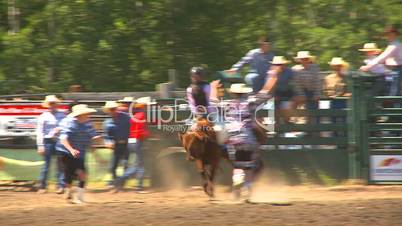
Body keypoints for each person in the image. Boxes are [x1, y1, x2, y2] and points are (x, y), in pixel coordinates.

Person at [210, 83, 267, 200]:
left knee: (237, 166)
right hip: (248, 140)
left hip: (233, 141)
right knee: (249, 168)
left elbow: (213, 101)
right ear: (244, 93)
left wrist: (213, 88)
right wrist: (273, 75)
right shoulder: (250, 104)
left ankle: (237, 184)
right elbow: (264, 94)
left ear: (232, 93)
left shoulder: (227, 104)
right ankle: (247, 188)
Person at [56, 104, 100, 204]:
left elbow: (92, 137)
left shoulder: (88, 124)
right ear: (79, 115)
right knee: (69, 175)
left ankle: (79, 198)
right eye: (86, 114)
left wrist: (96, 140)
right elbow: (63, 139)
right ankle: (69, 193)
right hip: (65, 152)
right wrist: (71, 150)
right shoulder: (70, 123)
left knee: (82, 174)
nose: (88, 115)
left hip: (80, 152)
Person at [114, 97, 153, 192]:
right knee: (140, 165)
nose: (149, 107)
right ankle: (137, 186)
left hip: (131, 141)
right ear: (144, 106)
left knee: (137, 165)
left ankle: (120, 181)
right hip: (138, 141)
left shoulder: (135, 115)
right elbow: (142, 132)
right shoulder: (143, 116)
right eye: (148, 105)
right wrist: (150, 134)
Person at [36, 95, 66, 194]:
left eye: (54, 103)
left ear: (56, 104)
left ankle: (60, 185)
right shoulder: (43, 116)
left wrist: (60, 129)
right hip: (47, 141)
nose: (53, 105)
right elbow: (40, 131)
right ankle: (42, 186)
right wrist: (40, 145)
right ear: (48, 105)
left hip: (59, 141)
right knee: (46, 165)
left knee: (60, 164)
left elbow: (66, 125)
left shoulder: (62, 115)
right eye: (51, 103)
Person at [360, 25, 402, 95]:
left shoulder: (395, 45)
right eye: (386, 34)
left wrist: (368, 66)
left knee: (394, 92)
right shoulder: (393, 44)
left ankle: (395, 104)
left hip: (397, 70)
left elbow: (383, 57)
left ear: (394, 34)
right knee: (391, 91)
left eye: (389, 34)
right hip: (393, 70)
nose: (387, 36)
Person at [103, 101, 131, 185]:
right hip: (116, 145)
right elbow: (106, 136)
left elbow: (132, 127)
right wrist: (108, 142)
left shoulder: (126, 117)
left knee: (125, 164)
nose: (113, 111)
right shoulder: (107, 122)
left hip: (127, 144)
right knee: (113, 166)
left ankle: (121, 183)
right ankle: (116, 182)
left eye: (114, 109)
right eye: (111, 109)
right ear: (108, 111)